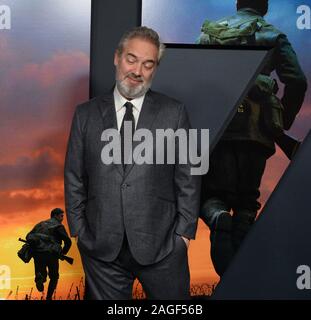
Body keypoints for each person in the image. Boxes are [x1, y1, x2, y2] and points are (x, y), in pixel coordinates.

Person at [64, 26, 201, 299]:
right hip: (101, 251)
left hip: (162, 248)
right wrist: (79, 231)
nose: (138, 71)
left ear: (155, 69)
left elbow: (190, 176)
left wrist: (183, 236)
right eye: (132, 59)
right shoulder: (85, 115)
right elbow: (74, 177)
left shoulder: (175, 113)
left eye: (148, 64)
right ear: (117, 57)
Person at [197, 0, 307, 276]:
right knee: (247, 204)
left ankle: (218, 218)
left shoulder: (209, 33)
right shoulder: (272, 34)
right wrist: (281, 120)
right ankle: (242, 278)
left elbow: (195, 75)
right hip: (257, 132)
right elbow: (297, 81)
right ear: (264, 7)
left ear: (238, 4)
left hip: (218, 128)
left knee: (212, 198)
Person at [26, 208, 72, 300]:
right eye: (61, 216)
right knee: (54, 277)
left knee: (41, 274)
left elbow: (28, 236)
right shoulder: (58, 226)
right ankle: (49, 297)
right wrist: (62, 253)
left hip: (38, 254)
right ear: (55, 215)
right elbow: (68, 241)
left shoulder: (40, 224)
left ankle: (40, 278)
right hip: (52, 255)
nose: (62, 218)